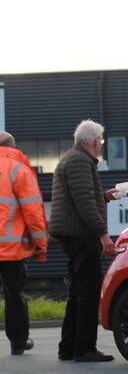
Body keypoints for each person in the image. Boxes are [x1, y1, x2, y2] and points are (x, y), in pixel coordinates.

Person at [50, 120, 118, 363]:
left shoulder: (73, 158)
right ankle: (84, 348)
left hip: (72, 232)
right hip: (80, 234)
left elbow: (82, 197)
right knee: (88, 292)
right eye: (101, 140)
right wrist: (103, 235)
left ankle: (68, 347)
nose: (101, 145)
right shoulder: (79, 161)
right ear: (94, 141)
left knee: (78, 291)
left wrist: (104, 197)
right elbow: (84, 203)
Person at [0, 131, 48, 356]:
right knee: (14, 296)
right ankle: (18, 341)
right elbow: (33, 212)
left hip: (10, 247)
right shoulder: (18, 170)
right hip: (11, 249)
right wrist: (40, 245)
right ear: (14, 146)